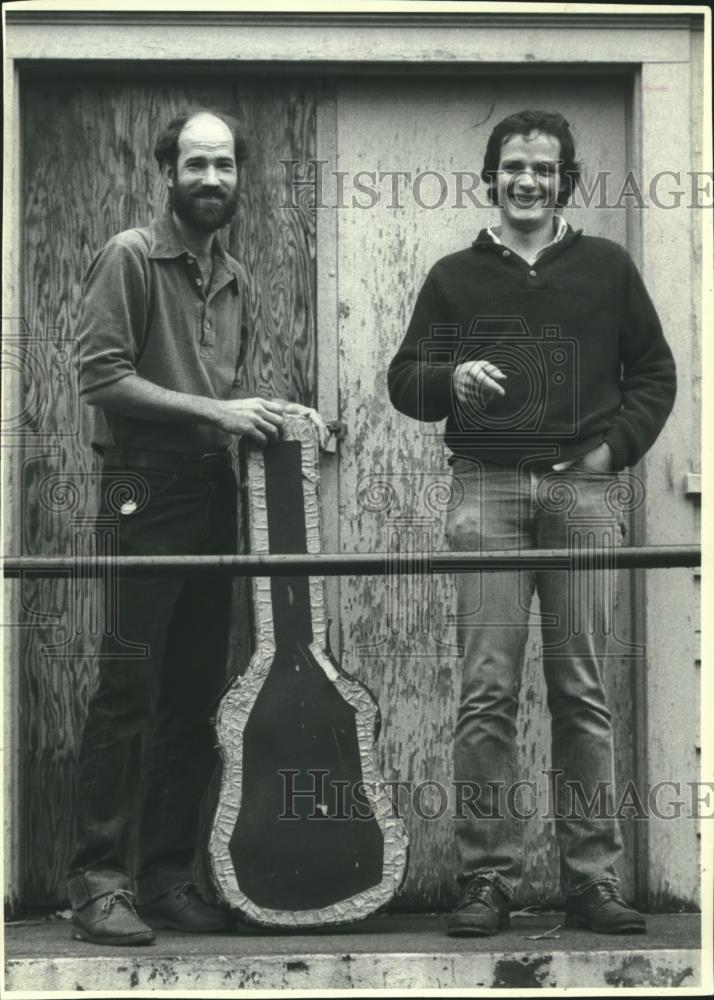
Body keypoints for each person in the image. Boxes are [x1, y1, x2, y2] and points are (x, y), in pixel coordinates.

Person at [388, 110, 676, 937]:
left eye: (544, 170)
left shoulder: (608, 269)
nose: (527, 180)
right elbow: (405, 378)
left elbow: (654, 374)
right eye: (513, 165)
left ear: (565, 181)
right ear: (492, 174)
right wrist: (451, 378)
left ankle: (593, 881)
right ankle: (487, 880)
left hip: (582, 500)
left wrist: (608, 453)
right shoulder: (453, 277)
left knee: (580, 691)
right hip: (485, 496)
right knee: (486, 695)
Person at [70, 108, 326, 946]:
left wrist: (273, 413)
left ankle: (167, 877)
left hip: (213, 493)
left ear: (238, 176)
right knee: (127, 692)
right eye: (195, 165)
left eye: (224, 165)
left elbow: (222, 395)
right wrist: (217, 409)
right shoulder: (131, 257)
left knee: (192, 695)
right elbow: (100, 377)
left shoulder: (235, 275)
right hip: (143, 493)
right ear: (167, 173)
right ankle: (98, 885)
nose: (211, 179)